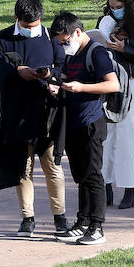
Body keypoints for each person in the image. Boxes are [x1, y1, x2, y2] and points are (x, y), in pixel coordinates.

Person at [0, 0, 68, 239]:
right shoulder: (2, 39)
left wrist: (52, 76)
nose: (32, 30)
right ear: (17, 19)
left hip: (47, 113)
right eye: (27, 25)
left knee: (53, 166)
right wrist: (16, 71)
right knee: (24, 168)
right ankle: (27, 218)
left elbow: (65, 67)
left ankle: (60, 217)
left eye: (36, 25)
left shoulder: (52, 38)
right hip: (17, 115)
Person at [51, 13, 121, 246]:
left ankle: (97, 226)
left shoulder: (96, 52)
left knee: (93, 176)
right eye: (60, 42)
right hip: (73, 123)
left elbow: (113, 84)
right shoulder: (72, 55)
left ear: (78, 32)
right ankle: (82, 223)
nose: (63, 46)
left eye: (65, 41)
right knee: (81, 177)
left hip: (91, 122)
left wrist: (82, 87)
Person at [98, 0, 134, 211]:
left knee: (126, 135)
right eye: (111, 6)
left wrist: (125, 49)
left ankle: (129, 188)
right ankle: (106, 185)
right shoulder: (105, 21)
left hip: (129, 82)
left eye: (118, 6)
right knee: (106, 135)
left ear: (126, 4)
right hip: (107, 81)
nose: (114, 9)